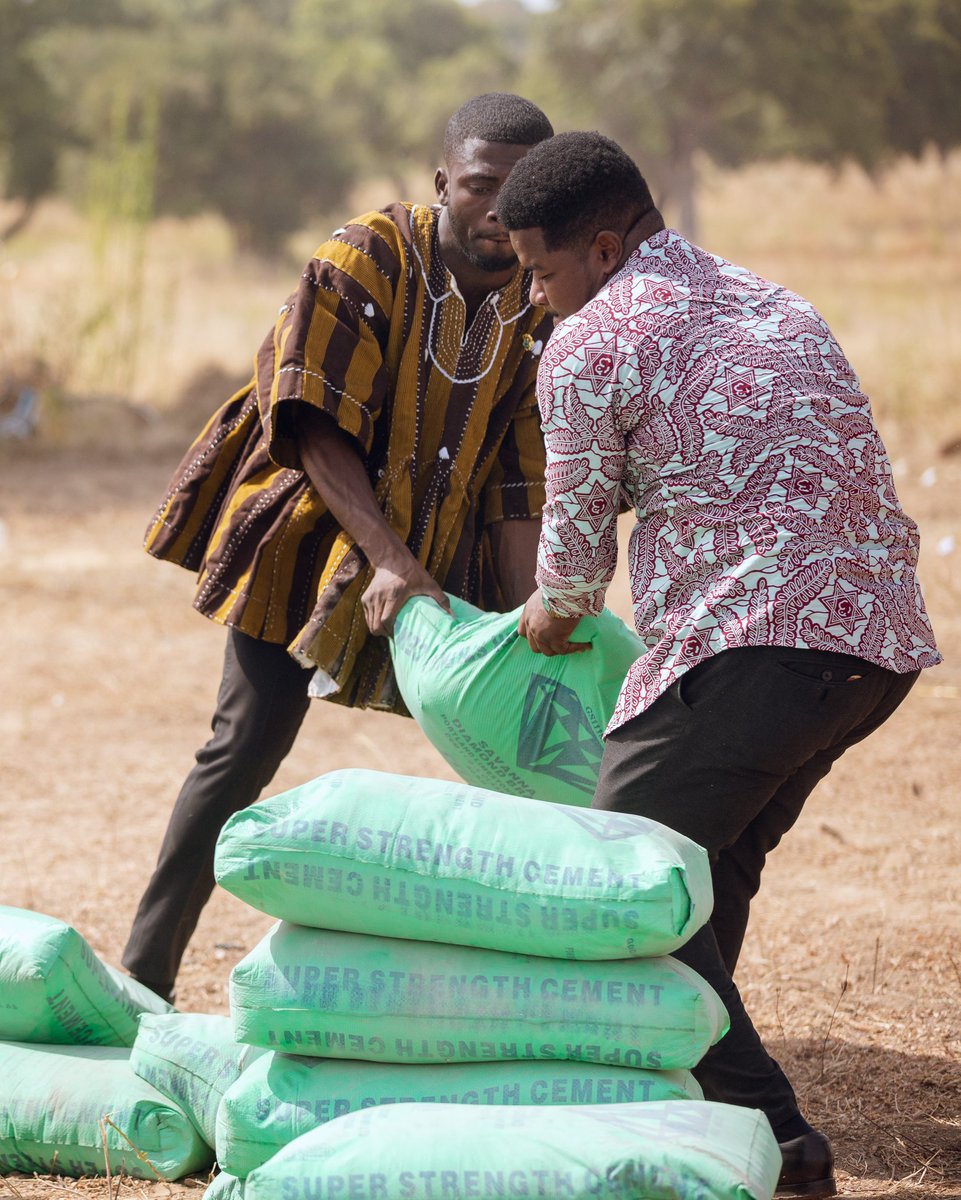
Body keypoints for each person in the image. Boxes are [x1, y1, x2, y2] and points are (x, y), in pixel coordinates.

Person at [497, 131, 940, 1197]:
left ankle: (779, 1145)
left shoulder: (593, 342)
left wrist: (538, 626)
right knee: (703, 879)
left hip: (755, 646)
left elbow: (569, 567)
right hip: (870, 649)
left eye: (542, 272)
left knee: (624, 882)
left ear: (601, 250)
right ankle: (690, 1110)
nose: (534, 297)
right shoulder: (772, 300)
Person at [122, 93, 556, 1005]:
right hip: (315, 536)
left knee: (517, 755)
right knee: (243, 746)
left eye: (522, 194)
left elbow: (521, 473)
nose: (500, 210)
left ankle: (537, 991)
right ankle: (144, 980)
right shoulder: (364, 257)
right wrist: (389, 558)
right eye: (481, 187)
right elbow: (314, 428)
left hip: (442, 542)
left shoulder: (538, 297)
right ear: (443, 182)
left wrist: (523, 624)